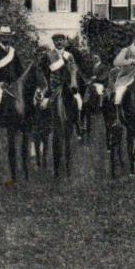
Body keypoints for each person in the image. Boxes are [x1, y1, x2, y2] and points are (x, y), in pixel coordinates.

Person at [36, 33, 80, 178]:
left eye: (61, 40)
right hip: (53, 88)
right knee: (43, 105)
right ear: (53, 42)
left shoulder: (69, 56)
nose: (59, 42)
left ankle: (78, 123)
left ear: (65, 41)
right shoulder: (48, 56)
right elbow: (41, 71)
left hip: (67, 87)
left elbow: (74, 71)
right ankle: (43, 126)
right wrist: (45, 86)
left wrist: (74, 84)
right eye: (56, 40)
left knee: (78, 102)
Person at [0, 25, 24, 187]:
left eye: (7, 36)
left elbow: (20, 71)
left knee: (22, 104)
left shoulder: (14, 53)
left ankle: (22, 122)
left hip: (11, 86)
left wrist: (14, 81)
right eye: (3, 36)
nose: (5, 38)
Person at [113, 32, 135, 120]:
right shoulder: (126, 50)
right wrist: (129, 61)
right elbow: (116, 62)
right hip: (126, 78)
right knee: (119, 94)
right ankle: (117, 120)